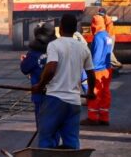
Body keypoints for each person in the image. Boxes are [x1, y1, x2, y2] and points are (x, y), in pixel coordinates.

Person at [32, 14, 96, 149]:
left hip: (55, 98)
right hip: (74, 102)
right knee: (71, 140)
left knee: (47, 137)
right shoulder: (83, 48)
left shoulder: (54, 45)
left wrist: (40, 85)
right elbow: (91, 73)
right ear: (75, 29)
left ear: (60, 28)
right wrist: (90, 91)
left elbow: (50, 70)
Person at [81, 14, 114, 126]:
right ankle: (104, 117)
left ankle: (92, 117)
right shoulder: (107, 36)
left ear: (94, 24)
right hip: (107, 69)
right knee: (105, 93)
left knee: (95, 92)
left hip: (98, 70)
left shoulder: (98, 37)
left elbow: (97, 55)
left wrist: (90, 68)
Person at [20, 23, 57, 119]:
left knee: (43, 126)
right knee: (56, 126)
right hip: (58, 95)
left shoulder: (33, 53)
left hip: (40, 95)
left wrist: (25, 60)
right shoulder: (59, 51)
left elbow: (25, 69)